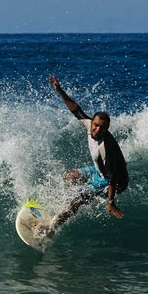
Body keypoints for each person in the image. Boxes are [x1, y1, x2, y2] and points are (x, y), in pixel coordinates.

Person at [37, 76, 129, 237]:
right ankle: (63, 208)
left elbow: (113, 177)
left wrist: (110, 202)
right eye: (95, 125)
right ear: (91, 122)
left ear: (107, 128)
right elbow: (75, 110)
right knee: (71, 176)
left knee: (80, 196)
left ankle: (52, 229)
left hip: (114, 181)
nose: (97, 129)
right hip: (99, 172)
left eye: (102, 127)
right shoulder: (88, 124)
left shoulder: (105, 147)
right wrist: (60, 91)